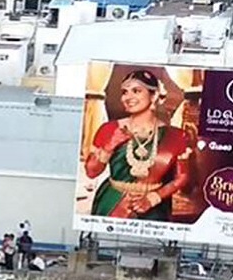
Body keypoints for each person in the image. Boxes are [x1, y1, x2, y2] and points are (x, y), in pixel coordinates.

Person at [82, 69, 193, 221]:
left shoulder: (176, 136)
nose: (128, 97)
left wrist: (153, 199)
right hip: (112, 202)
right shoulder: (109, 129)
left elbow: (182, 177)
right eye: (124, 92)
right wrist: (109, 146)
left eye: (136, 91)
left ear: (154, 96)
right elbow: (91, 172)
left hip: (154, 207)